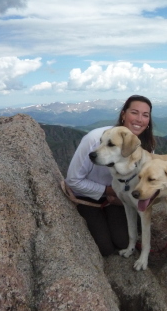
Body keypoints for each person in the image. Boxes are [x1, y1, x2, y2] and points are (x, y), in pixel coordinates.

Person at [65, 95, 155, 256]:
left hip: (118, 199)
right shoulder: (94, 139)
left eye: (145, 115)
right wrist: (109, 191)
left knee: (122, 242)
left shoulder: (144, 148)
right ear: (123, 114)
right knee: (105, 248)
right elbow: (72, 180)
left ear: (149, 121)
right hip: (89, 197)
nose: (139, 119)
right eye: (134, 112)